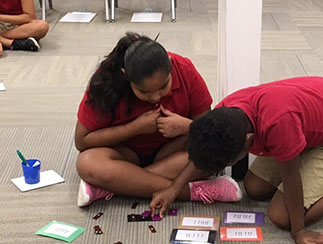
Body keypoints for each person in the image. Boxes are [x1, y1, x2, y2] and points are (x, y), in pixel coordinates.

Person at [150, 76, 323, 244]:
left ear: (248, 141)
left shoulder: (277, 126)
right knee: (256, 189)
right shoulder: (226, 113)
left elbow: (292, 179)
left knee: (282, 217)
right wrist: (174, 187)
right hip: (315, 118)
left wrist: (299, 230)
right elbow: (205, 153)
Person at [75, 32, 242, 208]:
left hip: (172, 152)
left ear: (170, 65)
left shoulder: (184, 69)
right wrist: (134, 128)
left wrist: (185, 126)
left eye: (163, 86)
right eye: (144, 92)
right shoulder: (105, 81)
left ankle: (117, 185)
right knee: (87, 163)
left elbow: (209, 132)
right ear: (126, 77)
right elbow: (82, 141)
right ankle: (193, 192)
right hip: (126, 154)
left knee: (214, 151)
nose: (155, 97)